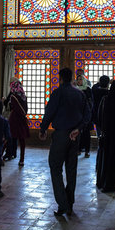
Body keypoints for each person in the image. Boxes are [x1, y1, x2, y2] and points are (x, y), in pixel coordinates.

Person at [39, 68, 90, 216]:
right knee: (71, 169)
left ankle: (63, 203)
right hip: (75, 136)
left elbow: (50, 111)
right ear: (73, 78)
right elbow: (87, 114)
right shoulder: (80, 93)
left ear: (60, 78)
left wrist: (43, 129)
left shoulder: (58, 92)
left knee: (55, 167)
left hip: (61, 134)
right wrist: (79, 129)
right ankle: (70, 202)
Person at [4, 79, 30, 166]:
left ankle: (0, 156)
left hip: (14, 118)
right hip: (22, 119)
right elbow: (26, 109)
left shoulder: (13, 96)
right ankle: (21, 159)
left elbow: (14, 108)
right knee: (22, 140)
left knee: (9, 137)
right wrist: (24, 116)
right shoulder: (24, 96)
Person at [75, 74, 94, 158]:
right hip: (77, 114)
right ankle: (78, 149)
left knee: (86, 134)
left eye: (81, 79)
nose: (79, 81)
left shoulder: (88, 89)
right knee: (77, 133)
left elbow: (91, 102)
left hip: (86, 114)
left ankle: (87, 151)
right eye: (78, 79)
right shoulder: (75, 90)